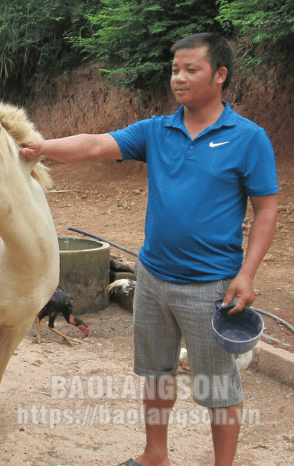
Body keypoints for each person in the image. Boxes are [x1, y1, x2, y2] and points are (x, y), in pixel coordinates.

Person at [21, 32, 278, 466]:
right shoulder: (158, 130)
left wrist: (247, 273)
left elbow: (267, 209)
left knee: (217, 387)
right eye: (175, 69)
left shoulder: (248, 138)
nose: (178, 78)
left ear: (219, 75)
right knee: (155, 375)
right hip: (153, 278)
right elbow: (94, 144)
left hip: (211, 286)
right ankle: (154, 454)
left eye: (190, 69)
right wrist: (41, 148)